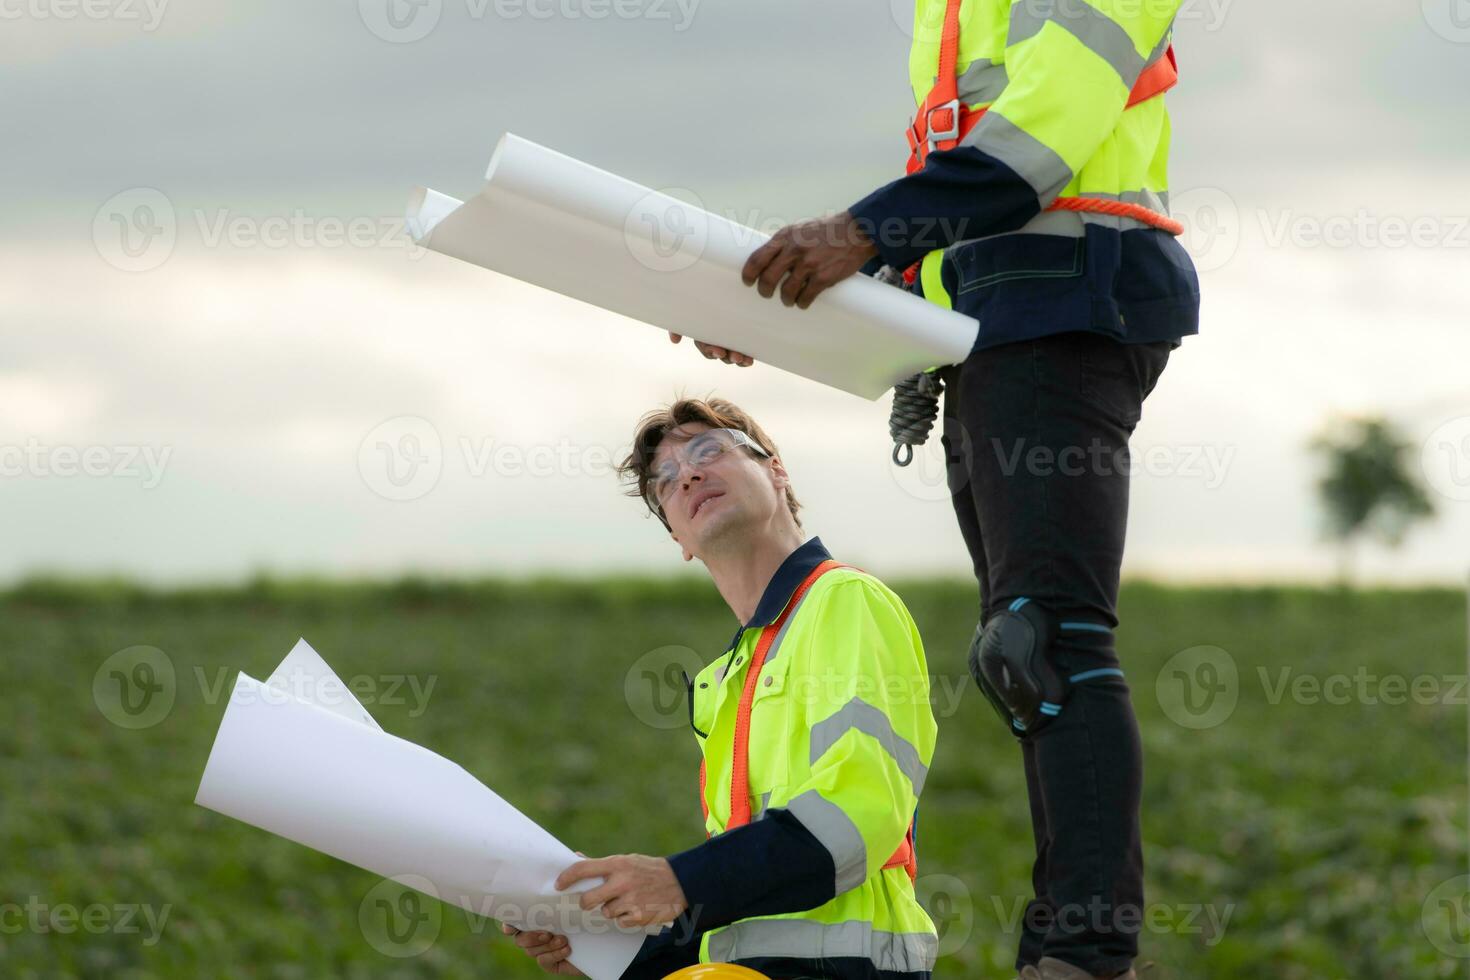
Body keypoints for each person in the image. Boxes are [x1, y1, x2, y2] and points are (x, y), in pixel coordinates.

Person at [669, 3, 1201, 977]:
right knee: (1019, 650)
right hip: (991, 318)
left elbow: (1039, 140)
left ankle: (1082, 953)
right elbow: (954, 211)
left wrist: (863, 231)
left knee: (1045, 636)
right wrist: (784, 303)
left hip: (1069, 294)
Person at [503, 397, 939, 979]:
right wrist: (593, 938)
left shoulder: (845, 600)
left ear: (776, 471)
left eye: (709, 451)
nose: (687, 474)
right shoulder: (724, 680)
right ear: (680, 539)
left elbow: (858, 816)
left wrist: (680, 880)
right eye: (665, 482)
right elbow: (735, 917)